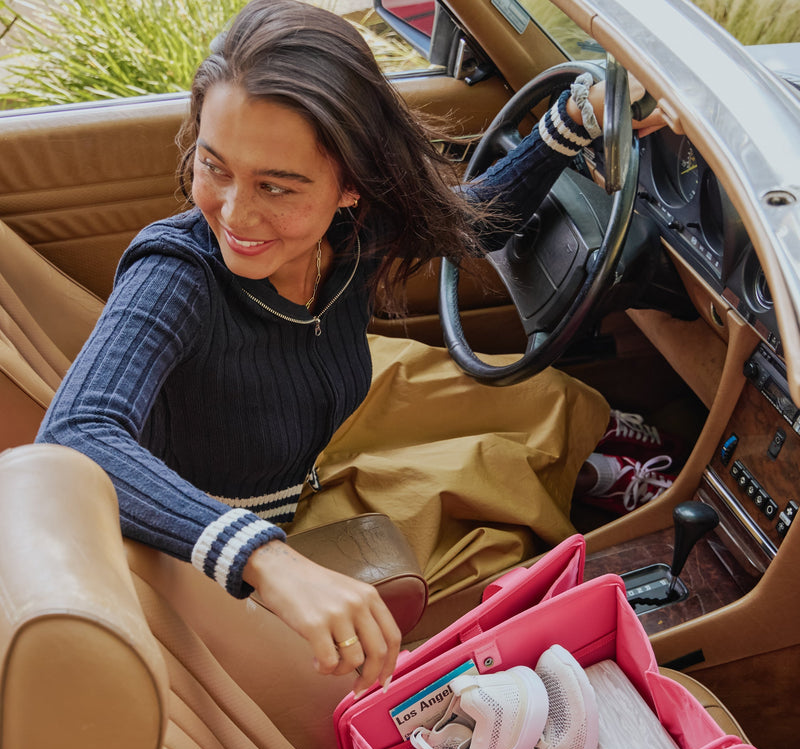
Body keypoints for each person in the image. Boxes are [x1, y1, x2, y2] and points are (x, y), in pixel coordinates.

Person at [37, 0, 666, 698]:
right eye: (214, 167)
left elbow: (473, 223)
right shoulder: (176, 273)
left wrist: (572, 123)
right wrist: (269, 560)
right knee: (503, 546)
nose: (236, 214)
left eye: (278, 186)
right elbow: (74, 437)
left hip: (293, 487)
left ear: (352, 185)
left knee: (505, 417)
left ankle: (595, 455)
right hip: (196, 569)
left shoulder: (354, 239)